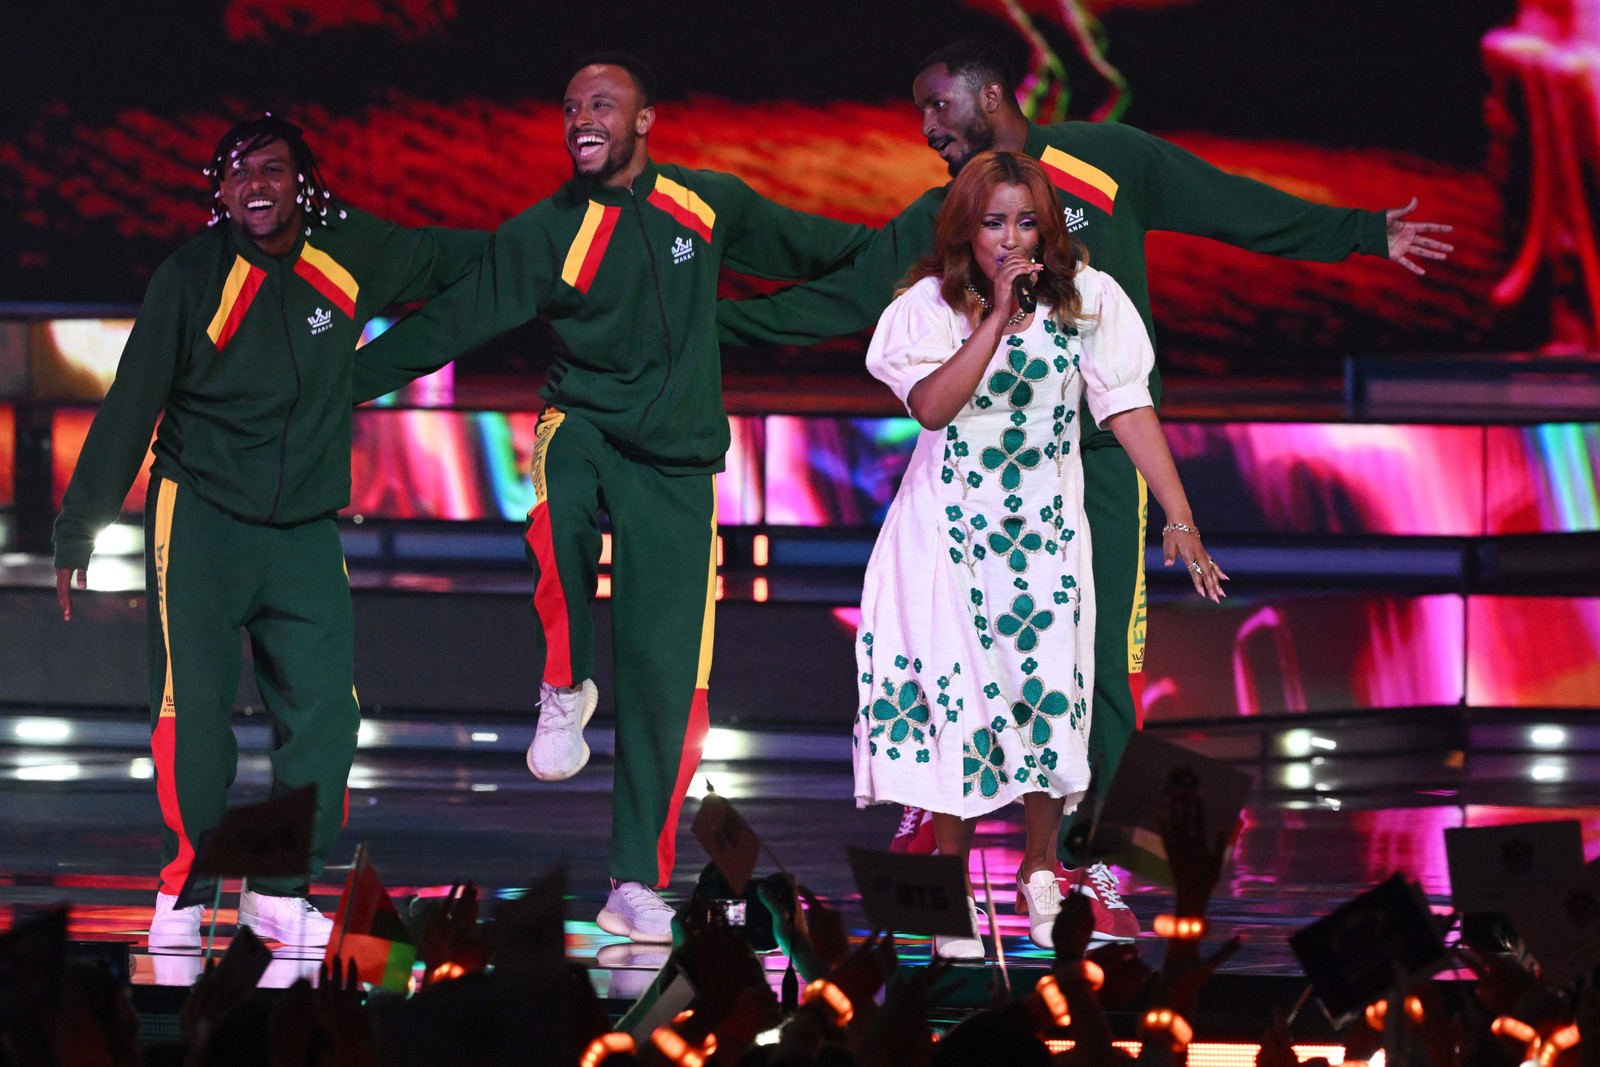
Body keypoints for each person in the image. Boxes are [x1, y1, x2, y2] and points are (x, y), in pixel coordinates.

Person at [719, 39, 1453, 939]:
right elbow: (839, 302)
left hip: (1090, 463)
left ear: (989, 95)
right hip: (965, 483)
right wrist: (697, 330)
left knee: (1097, 663)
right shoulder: (945, 215)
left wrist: (1363, 232)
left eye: (936, 107)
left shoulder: (1110, 165)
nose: (925, 129)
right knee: (958, 653)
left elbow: (1229, 206)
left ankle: (1084, 859)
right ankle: (940, 822)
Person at [351, 53, 871, 943]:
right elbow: (448, 324)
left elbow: (819, 246)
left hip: (675, 468)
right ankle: (563, 683)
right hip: (583, 426)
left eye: (601, 104)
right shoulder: (546, 230)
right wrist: (342, 384)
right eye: (568, 108)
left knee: (670, 689)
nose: (580, 118)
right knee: (554, 512)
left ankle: (634, 881)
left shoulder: (706, 205)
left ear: (644, 120)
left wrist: (926, 257)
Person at [53, 115, 488, 951]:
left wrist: (547, 251)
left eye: (274, 170)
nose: (257, 185)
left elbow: (448, 257)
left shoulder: (349, 250)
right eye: (239, 173)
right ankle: (186, 892)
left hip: (302, 528)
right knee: (195, 717)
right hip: (203, 518)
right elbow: (130, 404)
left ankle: (281, 894)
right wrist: (81, 529)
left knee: (328, 714)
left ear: (305, 182)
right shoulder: (188, 278)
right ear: (218, 192)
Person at [856, 150, 1223, 959]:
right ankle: (952, 884)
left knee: (1048, 695)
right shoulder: (928, 308)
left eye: (1027, 221)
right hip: (945, 533)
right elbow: (931, 407)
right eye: (994, 223)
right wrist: (994, 315)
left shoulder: (1089, 300)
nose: (1011, 238)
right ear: (966, 229)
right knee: (952, 701)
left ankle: (1039, 869)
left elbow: (1128, 407)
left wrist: (1181, 515)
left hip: (1045, 536)